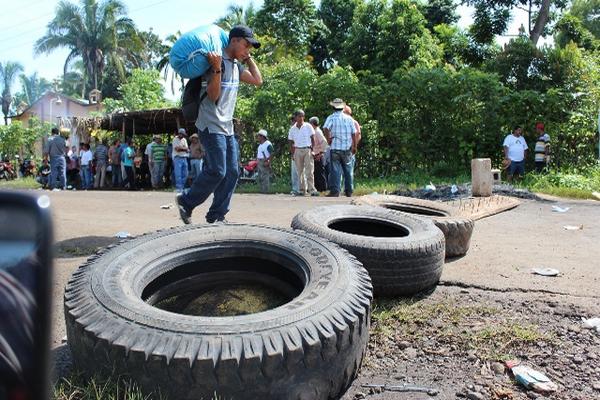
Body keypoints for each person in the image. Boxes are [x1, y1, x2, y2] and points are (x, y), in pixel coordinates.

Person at [176, 25, 262, 224]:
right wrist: (215, 68)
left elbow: (258, 80)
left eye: (250, 46)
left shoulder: (236, 65)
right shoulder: (214, 62)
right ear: (234, 40)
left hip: (227, 127)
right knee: (217, 170)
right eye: (246, 44)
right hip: (210, 124)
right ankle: (186, 202)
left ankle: (216, 215)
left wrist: (247, 57)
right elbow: (214, 97)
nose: (248, 48)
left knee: (232, 172)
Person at [323, 98, 357, 197]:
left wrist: (328, 139)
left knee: (335, 170)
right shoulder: (349, 119)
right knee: (348, 170)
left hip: (335, 148)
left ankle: (335, 191)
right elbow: (354, 133)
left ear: (333, 107)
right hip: (347, 148)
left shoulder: (331, 118)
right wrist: (354, 146)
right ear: (342, 107)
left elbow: (325, 128)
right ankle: (349, 191)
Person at [288, 109, 319, 196]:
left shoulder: (308, 126)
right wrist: (293, 153)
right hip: (297, 150)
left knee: (309, 171)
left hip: (307, 149)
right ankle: (302, 190)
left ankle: (312, 189)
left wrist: (312, 150)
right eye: (299, 116)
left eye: (302, 116)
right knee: (299, 171)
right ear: (296, 117)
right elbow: (290, 141)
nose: (301, 118)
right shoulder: (292, 129)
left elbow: (313, 138)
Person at [343, 105, 362, 191]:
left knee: (349, 170)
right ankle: (340, 189)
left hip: (349, 149)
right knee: (340, 171)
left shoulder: (353, 122)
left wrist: (354, 146)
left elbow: (358, 135)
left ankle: (349, 189)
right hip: (342, 149)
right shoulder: (342, 121)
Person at [309, 116, 328, 192]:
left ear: (313, 124)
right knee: (316, 173)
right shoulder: (313, 131)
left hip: (318, 155)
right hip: (315, 155)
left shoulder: (317, 132)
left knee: (320, 174)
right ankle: (317, 189)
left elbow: (324, 143)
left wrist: (321, 153)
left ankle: (322, 190)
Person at [256, 129, 273, 193]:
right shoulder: (260, 145)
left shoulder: (268, 144)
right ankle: (262, 190)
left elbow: (272, 153)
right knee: (260, 177)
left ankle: (265, 191)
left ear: (262, 137)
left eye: (259, 136)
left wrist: (268, 161)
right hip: (259, 161)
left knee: (265, 176)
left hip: (264, 161)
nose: (258, 137)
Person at [172, 128, 189, 193]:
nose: (183, 136)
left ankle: (183, 187)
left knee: (185, 174)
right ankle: (179, 188)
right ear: (179, 134)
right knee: (178, 174)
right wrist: (184, 148)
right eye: (182, 134)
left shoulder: (184, 139)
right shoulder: (175, 139)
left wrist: (182, 148)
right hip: (177, 158)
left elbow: (187, 149)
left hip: (184, 158)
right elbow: (177, 149)